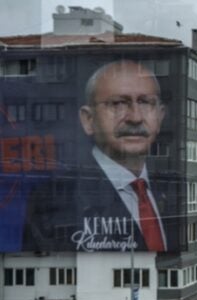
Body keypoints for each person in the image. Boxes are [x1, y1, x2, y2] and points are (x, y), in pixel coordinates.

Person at [24, 59, 178, 252]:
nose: (135, 117)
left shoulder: (173, 189)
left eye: (146, 103)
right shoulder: (54, 198)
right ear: (88, 120)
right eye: (119, 103)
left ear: (160, 116)